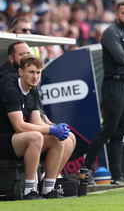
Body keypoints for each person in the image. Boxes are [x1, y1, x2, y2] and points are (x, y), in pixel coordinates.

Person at [84, 0, 124, 185]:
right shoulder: (111, 32)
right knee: (108, 130)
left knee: (119, 133)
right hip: (114, 85)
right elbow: (120, 58)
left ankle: (117, 176)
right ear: (117, 14)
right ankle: (85, 169)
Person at [0, 41, 76, 176]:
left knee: (69, 137)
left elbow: (37, 117)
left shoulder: (31, 85)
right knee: (37, 137)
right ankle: (32, 187)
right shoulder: (9, 82)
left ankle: (49, 183)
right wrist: (51, 129)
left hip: (25, 133)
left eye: (28, 54)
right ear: (20, 71)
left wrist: (52, 126)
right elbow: (19, 126)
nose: (34, 76)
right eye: (22, 55)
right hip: (10, 137)